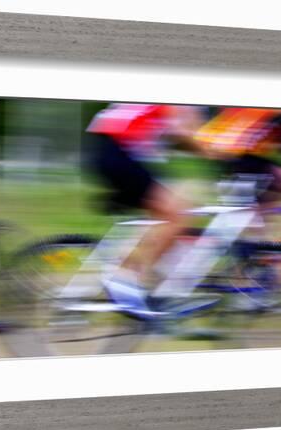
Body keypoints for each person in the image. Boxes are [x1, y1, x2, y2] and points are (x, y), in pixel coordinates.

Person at [83, 103, 207, 318]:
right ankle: (132, 281)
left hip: (115, 152)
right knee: (178, 216)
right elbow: (182, 132)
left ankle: (126, 271)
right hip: (120, 155)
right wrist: (216, 151)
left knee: (169, 211)